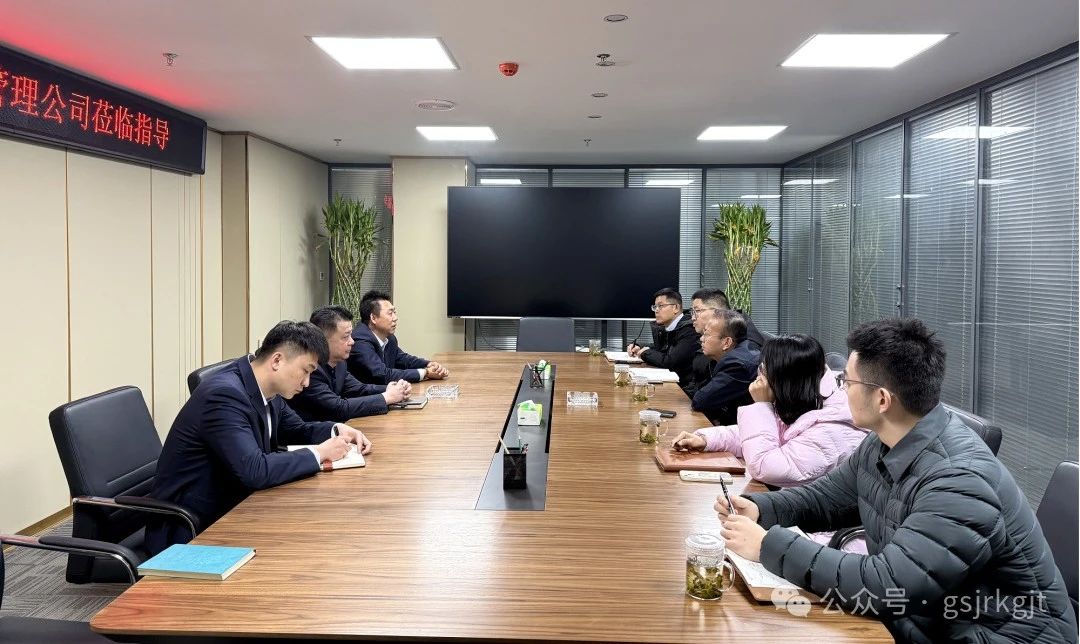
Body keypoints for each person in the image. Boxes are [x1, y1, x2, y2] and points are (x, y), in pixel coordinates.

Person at [716, 318, 1077, 642]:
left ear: (882, 399)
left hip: (994, 633)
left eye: (846, 382)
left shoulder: (959, 481)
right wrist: (760, 509)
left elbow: (888, 585)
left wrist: (768, 546)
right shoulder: (886, 440)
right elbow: (827, 498)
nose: (840, 391)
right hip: (926, 621)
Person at [147, 321, 373, 555]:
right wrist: (320, 453)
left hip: (240, 506)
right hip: (194, 528)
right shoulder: (224, 395)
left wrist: (336, 429)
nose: (306, 382)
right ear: (277, 361)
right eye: (306, 371)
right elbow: (254, 470)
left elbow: (297, 429)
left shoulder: (264, 387)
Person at [672, 333, 868, 488]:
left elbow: (765, 467)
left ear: (786, 379)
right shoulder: (806, 397)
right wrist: (706, 439)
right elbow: (767, 435)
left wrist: (761, 406)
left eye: (765, 371)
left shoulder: (833, 429)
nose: (760, 377)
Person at [287, 305, 412, 422]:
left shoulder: (340, 363)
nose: (352, 342)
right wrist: (387, 397)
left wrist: (393, 388)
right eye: (345, 337)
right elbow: (339, 408)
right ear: (323, 340)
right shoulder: (311, 371)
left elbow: (359, 389)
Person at [348, 290, 449, 384]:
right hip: (366, 396)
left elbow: (403, 360)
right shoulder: (359, 341)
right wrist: (426, 373)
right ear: (373, 318)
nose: (395, 318)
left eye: (394, 312)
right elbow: (382, 374)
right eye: (390, 313)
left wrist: (428, 364)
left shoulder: (389, 338)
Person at [690, 310, 760, 425]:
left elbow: (701, 400)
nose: (701, 339)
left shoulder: (736, 364)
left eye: (707, 334)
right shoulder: (736, 353)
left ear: (727, 342)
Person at [625, 288, 698, 390]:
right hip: (671, 384)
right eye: (655, 307)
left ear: (676, 308)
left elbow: (671, 362)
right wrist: (640, 347)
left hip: (683, 389)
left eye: (661, 306)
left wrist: (645, 353)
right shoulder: (669, 328)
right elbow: (662, 349)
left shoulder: (689, 330)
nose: (656, 310)